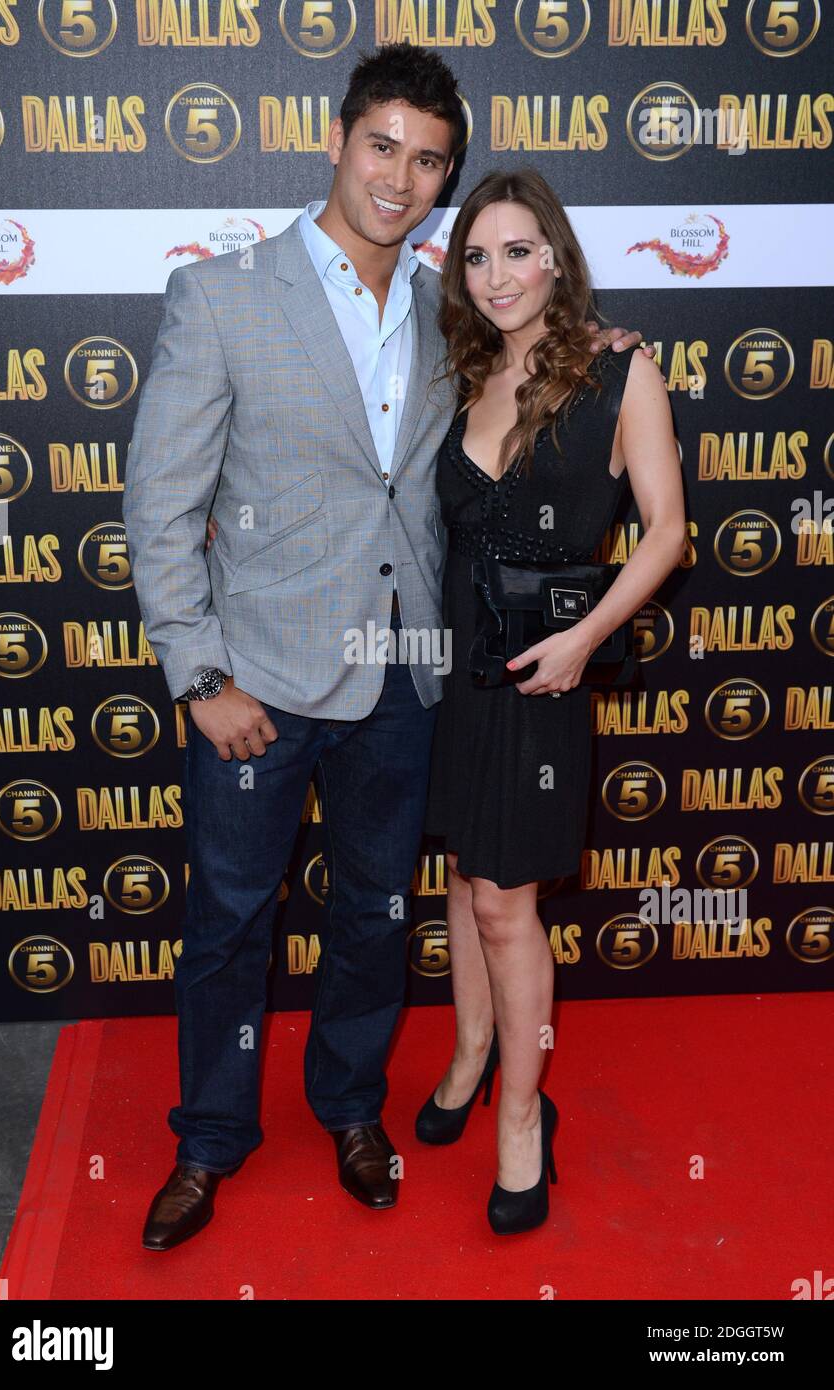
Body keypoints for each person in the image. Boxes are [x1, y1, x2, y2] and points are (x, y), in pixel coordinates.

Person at [123, 41, 651, 1252]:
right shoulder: (223, 296)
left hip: (406, 679)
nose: (400, 179)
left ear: (443, 175)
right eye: (381, 148)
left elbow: (538, 375)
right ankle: (208, 1139)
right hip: (254, 683)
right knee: (228, 925)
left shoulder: (447, 306)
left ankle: (351, 1109)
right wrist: (199, 674)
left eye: (427, 162)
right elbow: (157, 506)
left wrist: (600, 350)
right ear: (337, 139)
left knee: (370, 914)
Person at [416, 169, 685, 1234]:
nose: (496, 275)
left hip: (543, 673)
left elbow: (664, 530)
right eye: (476, 256)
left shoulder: (620, 374)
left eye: (518, 251)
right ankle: (471, 1051)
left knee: (503, 901)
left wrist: (584, 637)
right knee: (461, 875)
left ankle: (522, 1115)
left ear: (557, 259)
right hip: (453, 673)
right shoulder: (461, 372)